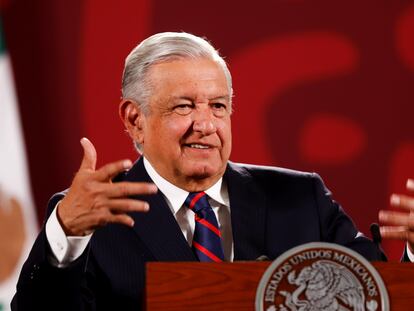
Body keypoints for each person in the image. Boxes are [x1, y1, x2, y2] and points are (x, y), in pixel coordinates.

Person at [11, 32, 414, 310]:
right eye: (184, 106)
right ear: (135, 118)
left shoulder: (300, 199)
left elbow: (376, 294)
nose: (206, 125)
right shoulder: (88, 218)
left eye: (218, 106)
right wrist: (67, 236)